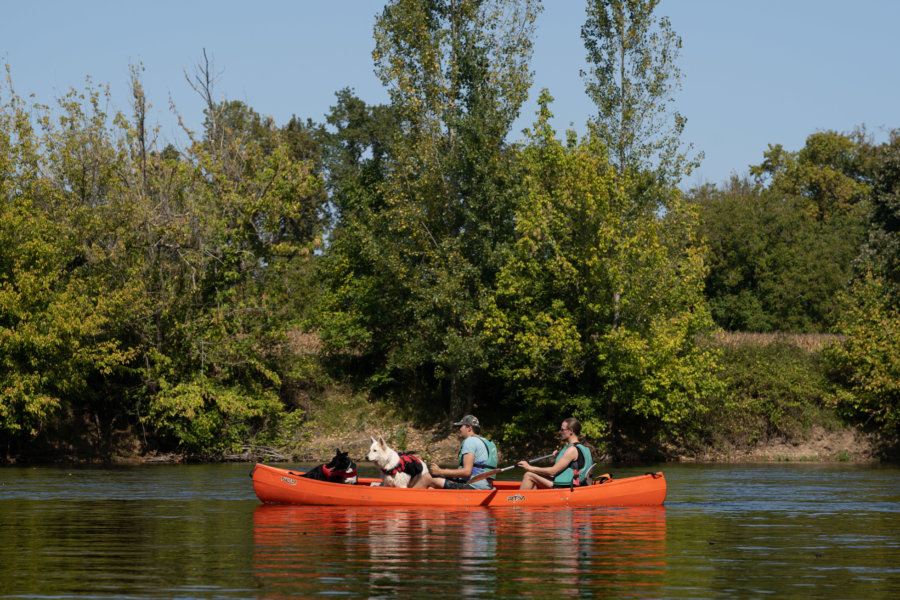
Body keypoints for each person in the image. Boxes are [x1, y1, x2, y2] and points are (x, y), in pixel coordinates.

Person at [518, 417, 593, 490]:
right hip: (571, 484)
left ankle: (518, 501)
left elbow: (553, 471)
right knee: (533, 476)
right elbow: (574, 465)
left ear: (571, 431)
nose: (560, 432)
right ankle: (532, 501)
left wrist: (529, 467)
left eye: (562, 430)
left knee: (529, 475)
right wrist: (558, 457)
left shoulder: (572, 450)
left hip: (567, 487)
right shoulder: (582, 447)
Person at [426, 415, 497, 490]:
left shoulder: (470, 441)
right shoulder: (488, 442)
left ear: (469, 428)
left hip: (473, 487)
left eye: (460, 427)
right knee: (435, 482)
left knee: (428, 479)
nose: (458, 429)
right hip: (486, 487)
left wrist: (440, 471)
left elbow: (466, 472)